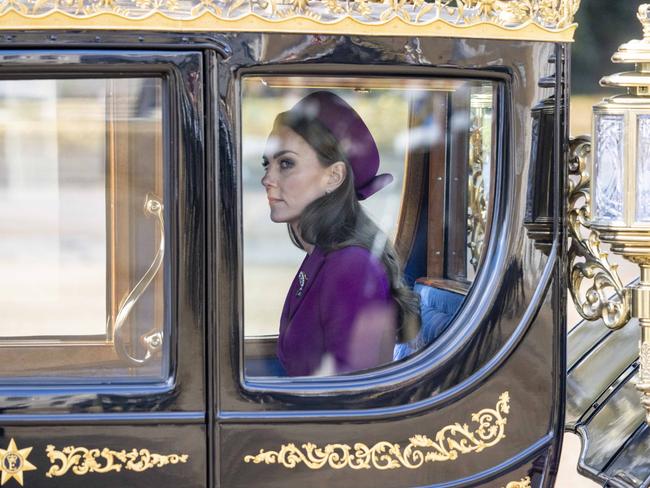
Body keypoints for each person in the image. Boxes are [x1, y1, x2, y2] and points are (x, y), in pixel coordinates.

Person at [261, 91, 420, 376]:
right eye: (267, 164)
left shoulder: (351, 267)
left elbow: (349, 401)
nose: (267, 179)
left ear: (333, 177)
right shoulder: (322, 254)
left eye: (285, 164)